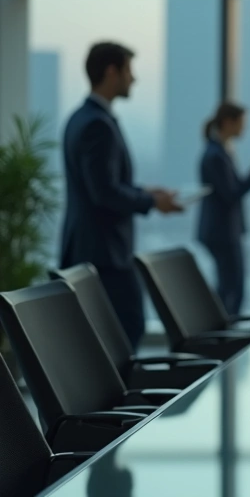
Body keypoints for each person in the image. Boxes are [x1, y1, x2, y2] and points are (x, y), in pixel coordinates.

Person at [60, 42, 182, 349]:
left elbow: (100, 185)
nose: (134, 79)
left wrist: (144, 192)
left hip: (90, 247)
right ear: (112, 71)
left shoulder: (80, 118)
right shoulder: (98, 125)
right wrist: (152, 202)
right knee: (126, 330)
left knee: (106, 339)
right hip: (105, 252)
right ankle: (119, 398)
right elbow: (104, 193)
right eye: (129, 70)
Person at [197, 102, 250, 316]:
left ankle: (223, 336)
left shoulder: (219, 151)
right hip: (223, 233)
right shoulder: (216, 155)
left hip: (223, 231)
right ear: (228, 122)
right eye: (241, 123)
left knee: (230, 288)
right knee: (231, 291)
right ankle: (223, 338)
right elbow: (231, 193)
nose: (244, 129)